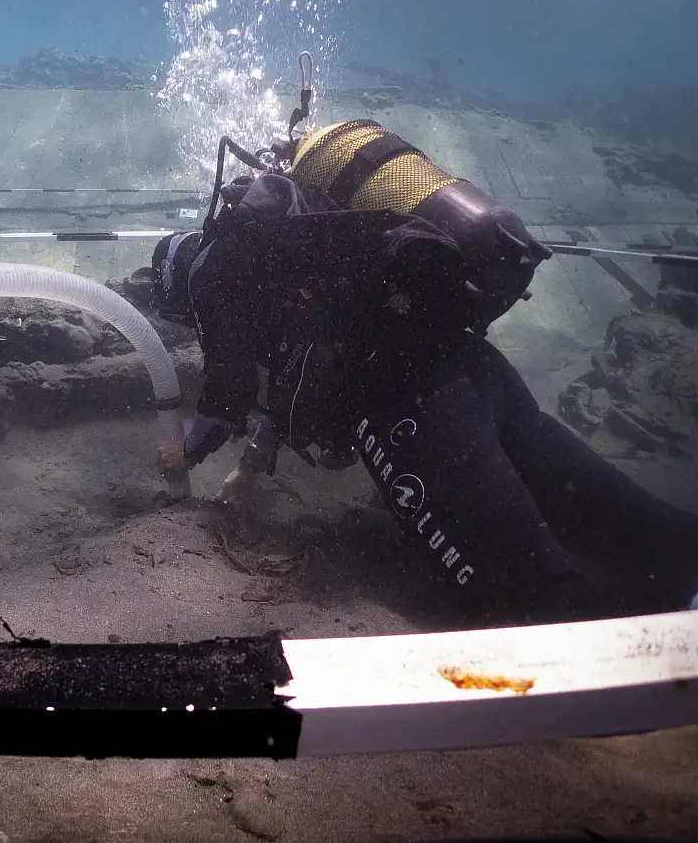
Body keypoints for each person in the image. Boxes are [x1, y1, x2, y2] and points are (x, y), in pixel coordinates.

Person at [153, 119, 698, 623]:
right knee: (632, 524)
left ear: (177, 284)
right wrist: (250, 470)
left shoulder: (212, 272)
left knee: (539, 602)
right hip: (468, 364)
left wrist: (180, 458)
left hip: (407, 403)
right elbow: (291, 373)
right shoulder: (287, 255)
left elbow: (225, 400)